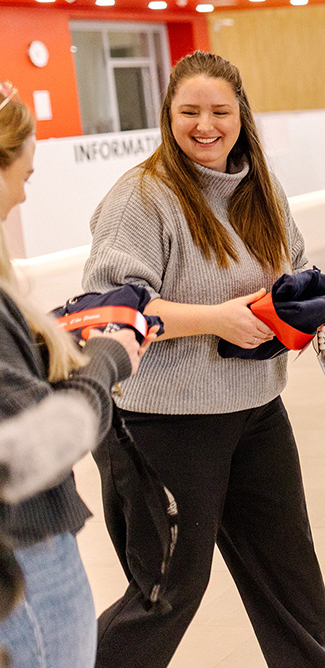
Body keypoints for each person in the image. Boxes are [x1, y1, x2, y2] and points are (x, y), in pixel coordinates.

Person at [84, 53, 325, 668]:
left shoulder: (260, 187)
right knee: (167, 592)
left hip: (257, 410)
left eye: (219, 112)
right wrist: (215, 319)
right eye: (190, 112)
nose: (205, 126)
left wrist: (302, 307)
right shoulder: (141, 198)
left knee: (292, 578)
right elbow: (111, 310)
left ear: (241, 116)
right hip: (162, 423)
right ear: (168, 116)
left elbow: (292, 263)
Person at [0, 82, 148, 668]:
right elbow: (30, 447)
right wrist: (108, 360)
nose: (22, 196)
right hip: (22, 547)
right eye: (24, 176)